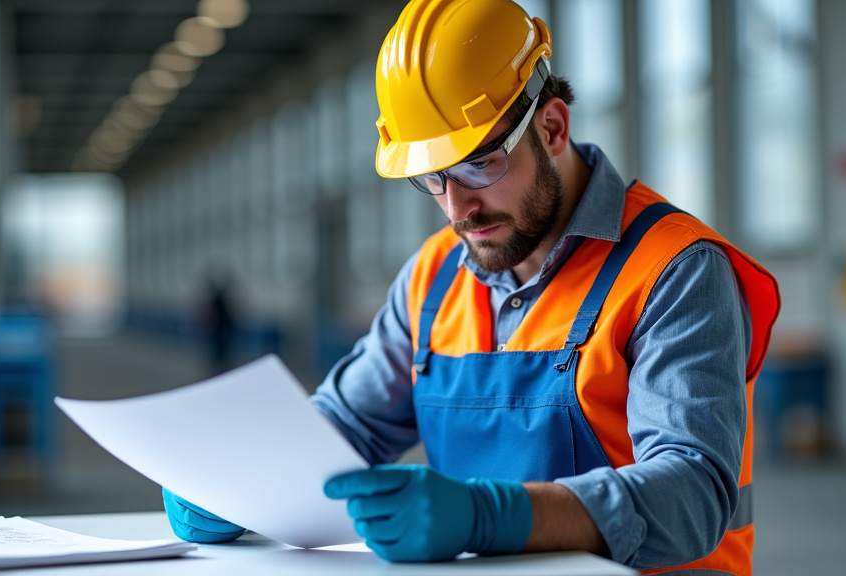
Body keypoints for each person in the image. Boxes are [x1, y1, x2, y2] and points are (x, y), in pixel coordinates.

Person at [161, 0, 780, 574]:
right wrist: (240, 478)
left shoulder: (673, 270)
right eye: (432, 178)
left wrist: (491, 517)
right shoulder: (433, 277)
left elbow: (694, 493)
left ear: (554, 127)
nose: (458, 208)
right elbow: (346, 424)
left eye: (479, 162)